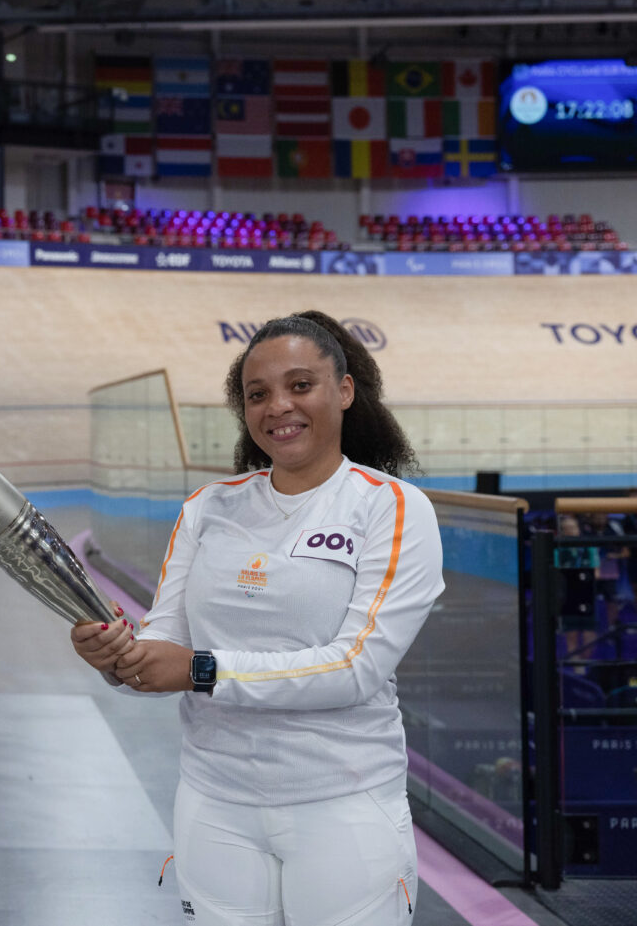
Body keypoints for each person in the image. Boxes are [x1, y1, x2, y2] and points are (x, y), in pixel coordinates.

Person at [72, 310, 444, 926]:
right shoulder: (207, 508)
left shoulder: (392, 507)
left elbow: (357, 668)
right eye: (257, 394)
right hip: (214, 801)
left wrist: (199, 670)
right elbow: (166, 637)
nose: (279, 407)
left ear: (345, 391)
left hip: (343, 804)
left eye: (301, 385)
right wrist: (120, 658)